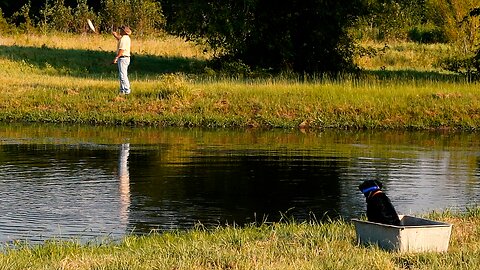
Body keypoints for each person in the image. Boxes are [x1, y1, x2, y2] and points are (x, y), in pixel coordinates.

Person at [112, 26, 132, 95]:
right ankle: (122, 91)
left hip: (123, 58)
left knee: (123, 75)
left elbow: (122, 49)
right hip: (125, 58)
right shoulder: (126, 38)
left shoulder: (124, 39)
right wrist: (115, 36)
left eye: (121, 30)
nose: (120, 31)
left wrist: (117, 57)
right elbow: (120, 40)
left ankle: (127, 90)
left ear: (124, 31)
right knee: (122, 75)